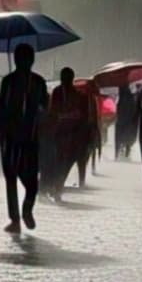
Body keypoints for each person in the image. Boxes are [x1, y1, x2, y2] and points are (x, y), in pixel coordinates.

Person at [0, 43, 48, 233]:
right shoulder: (8, 82)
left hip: (30, 137)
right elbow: (0, 110)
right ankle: (15, 219)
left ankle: (27, 209)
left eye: (24, 58)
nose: (21, 62)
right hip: (10, 137)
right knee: (11, 178)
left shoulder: (39, 82)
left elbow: (45, 107)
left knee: (31, 181)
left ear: (30, 61)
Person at [44, 67, 96, 199]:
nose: (64, 81)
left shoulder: (80, 96)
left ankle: (58, 187)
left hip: (73, 135)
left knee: (66, 163)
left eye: (66, 78)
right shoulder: (57, 92)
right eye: (63, 78)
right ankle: (56, 187)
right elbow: (52, 112)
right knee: (58, 162)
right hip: (59, 133)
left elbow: (85, 118)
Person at [115, 85, 138, 160]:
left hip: (120, 121)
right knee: (128, 138)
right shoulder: (131, 97)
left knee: (118, 138)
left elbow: (117, 110)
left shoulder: (120, 98)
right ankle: (127, 154)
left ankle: (117, 154)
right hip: (129, 121)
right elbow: (134, 109)